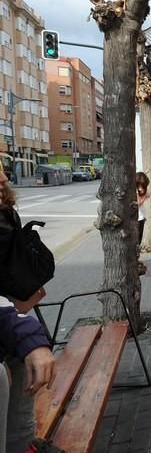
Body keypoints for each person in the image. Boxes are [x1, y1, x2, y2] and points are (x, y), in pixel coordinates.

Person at [0, 170, 61, 453]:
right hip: (11, 303)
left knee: (20, 356)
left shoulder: (6, 211)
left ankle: (24, 444)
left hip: (12, 302)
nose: (2, 178)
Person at [135, 172, 150, 245]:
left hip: (141, 217)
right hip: (138, 218)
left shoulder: (139, 189)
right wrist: (145, 197)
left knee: (138, 241)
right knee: (137, 241)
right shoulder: (136, 191)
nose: (141, 188)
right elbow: (137, 204)